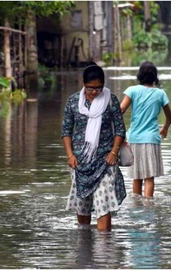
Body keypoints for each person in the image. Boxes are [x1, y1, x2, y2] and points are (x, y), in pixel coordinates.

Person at [62, 64, 127, 231]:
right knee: (82, 203)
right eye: (90, 88)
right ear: (83, 84)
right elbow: (66, 131)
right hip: (80, 161)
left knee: (103, 202)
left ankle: (105, 248)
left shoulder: (111, 101)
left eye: (98, 88)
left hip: (105, 160)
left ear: (104, 84)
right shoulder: (73, 102)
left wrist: (114, 152)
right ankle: (84, 243)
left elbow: (120, 129)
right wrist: (70, 155)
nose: (94, 92)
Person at [120, 61, 171, 198]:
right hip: (151, 139)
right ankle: (149, 206)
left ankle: (137, 206)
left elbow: (120, 110)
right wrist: (165, 127)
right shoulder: (160, 94)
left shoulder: (132, 91)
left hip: (134, 138)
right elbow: (169, 116)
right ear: (155, 77)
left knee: (136, 176)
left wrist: (118, 132)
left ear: (140, 76)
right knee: (149, 177)